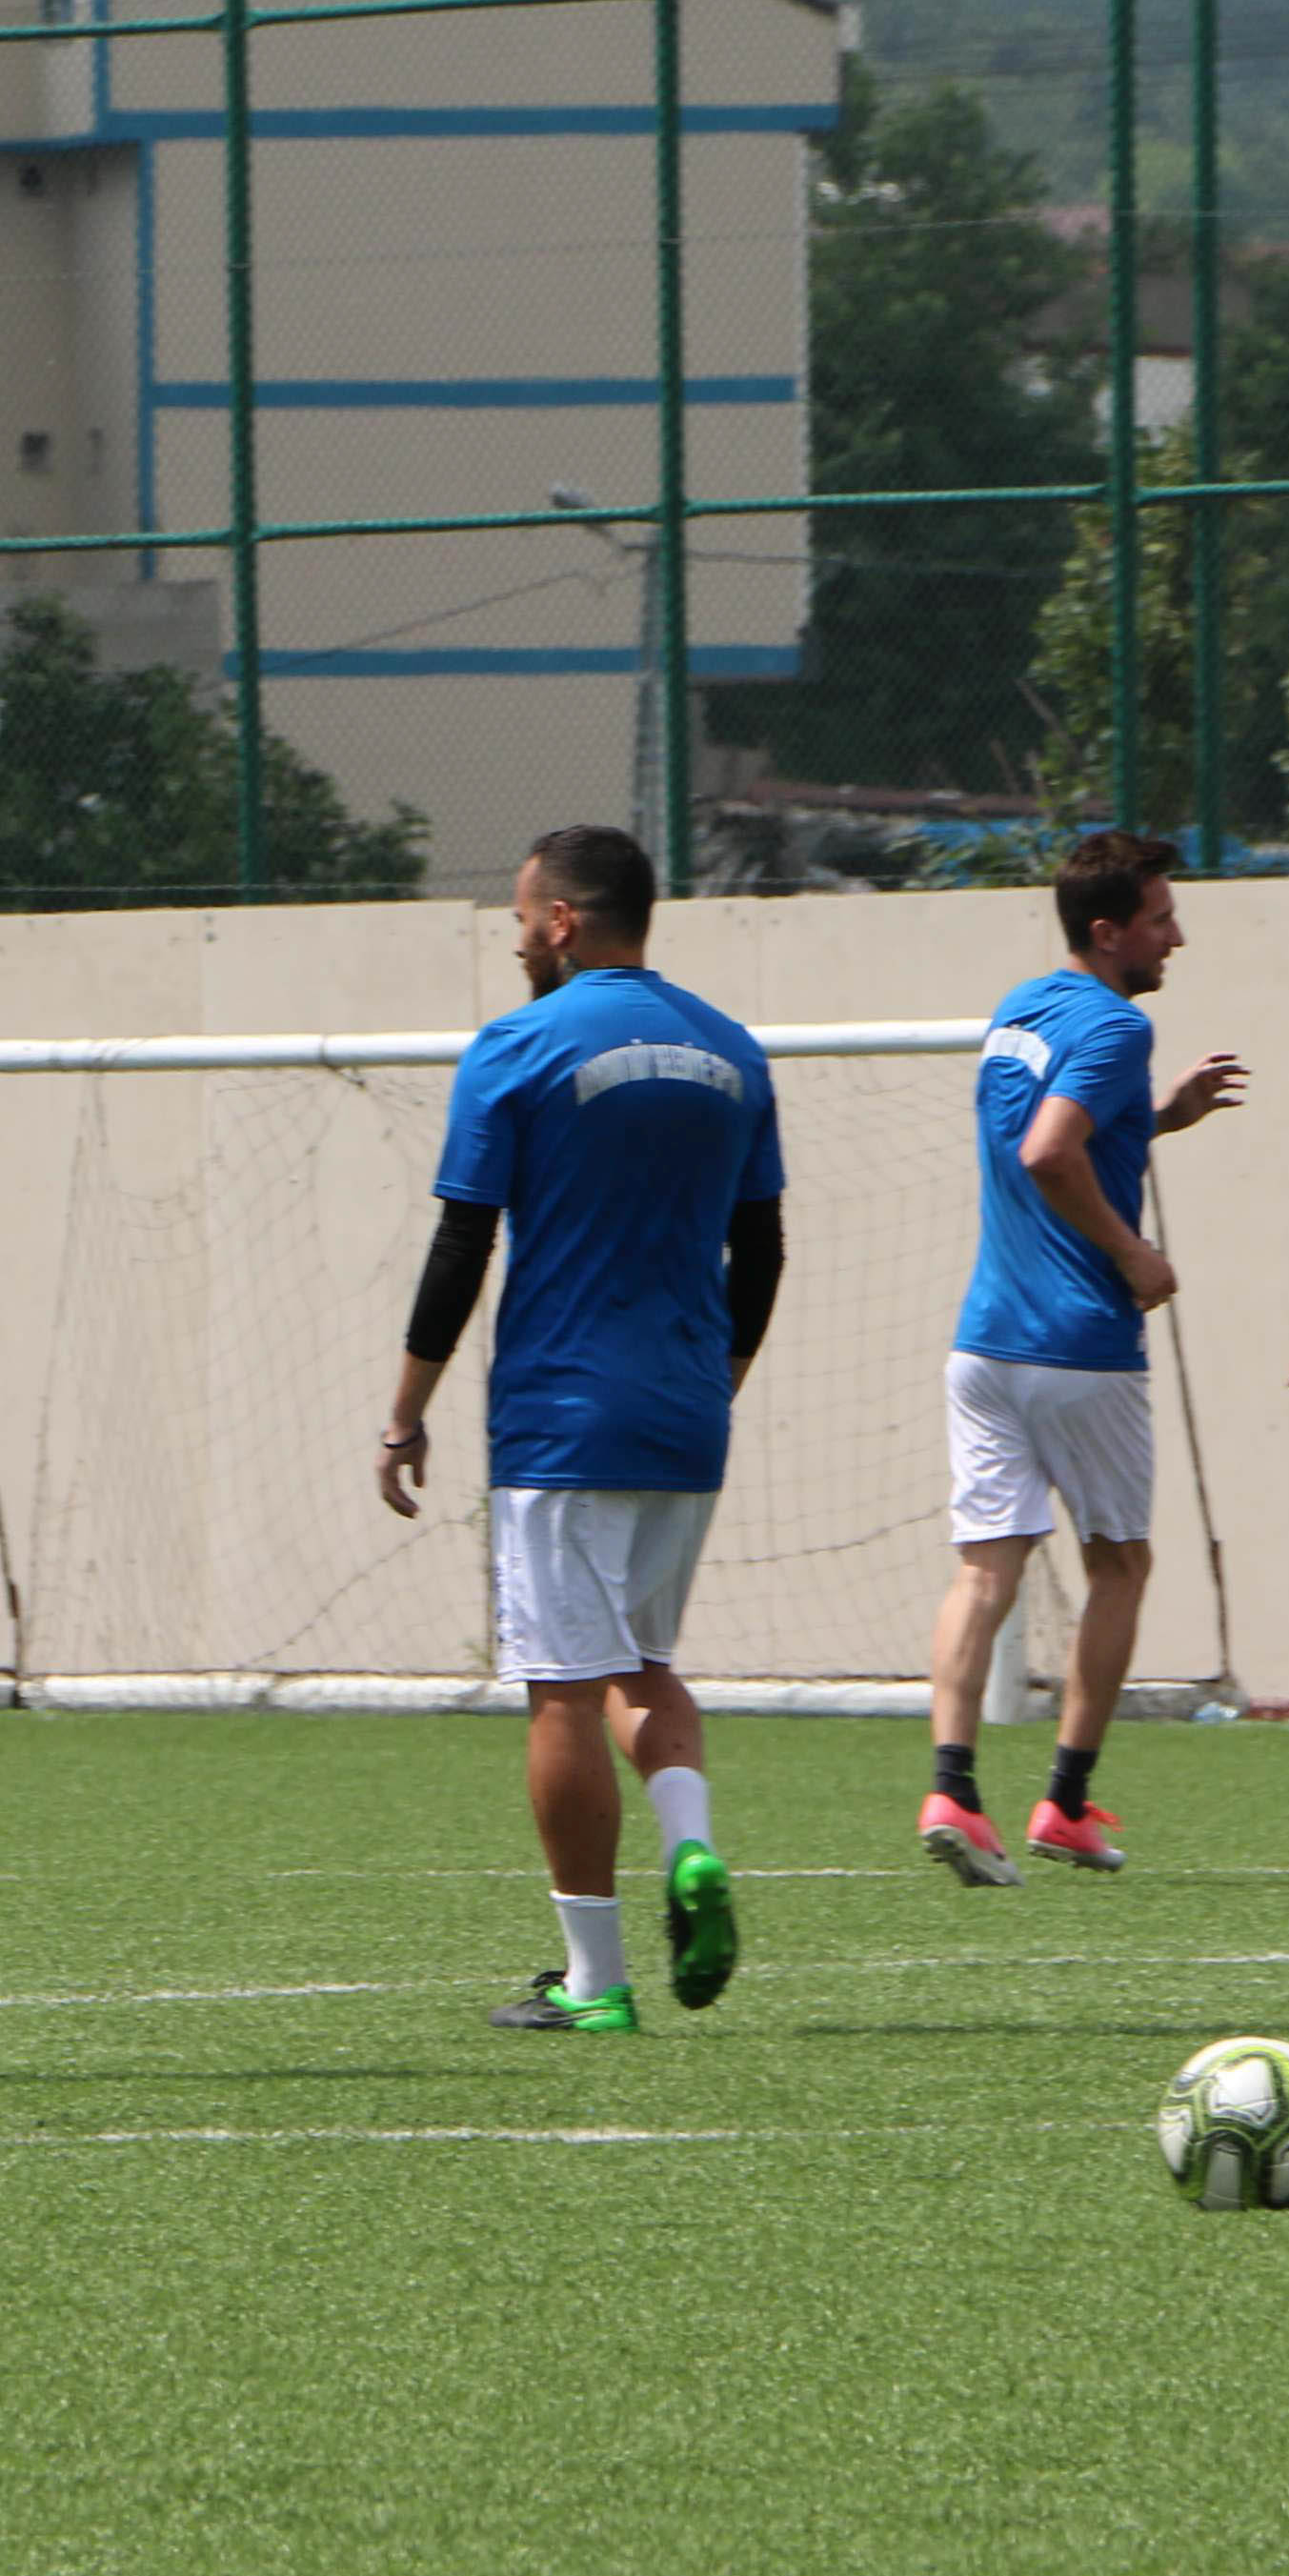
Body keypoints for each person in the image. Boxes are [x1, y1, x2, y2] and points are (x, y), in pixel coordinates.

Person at [376, 824, 785, 2035]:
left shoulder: (517, 1046)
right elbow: (758, 1247)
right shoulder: (732, 1049)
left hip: (563, 1416)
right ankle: (693, 1846)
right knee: (643, 1668)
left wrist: (406, 1411)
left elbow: (464, 1241)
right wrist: (723, 1378)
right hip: (684, 1414)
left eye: (518, 915)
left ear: (562, 920)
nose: (513, 935)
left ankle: (597, 1983)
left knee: (559, 1691)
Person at [919, 829, 1245, 1882]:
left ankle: (953, 1791)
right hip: (1079, 1345)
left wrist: (1162, 1123)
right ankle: (1063, 1803)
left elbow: (1065, 1132)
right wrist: (1134, 1253)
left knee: (986, 1571)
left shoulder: (1021, 1009)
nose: (1177, 936)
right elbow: (1049, 1151)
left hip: (985, 1342)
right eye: (1160, 918)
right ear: (1109, 933)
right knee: (1120, 1564)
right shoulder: (1114, 1025)